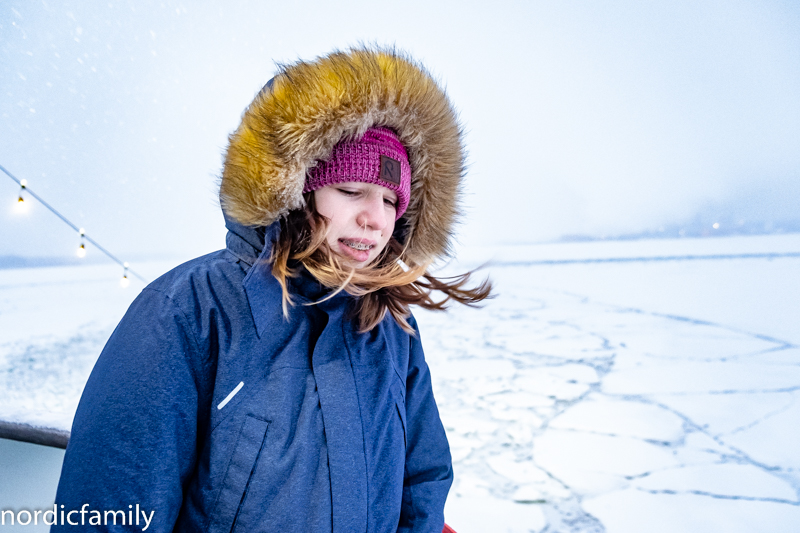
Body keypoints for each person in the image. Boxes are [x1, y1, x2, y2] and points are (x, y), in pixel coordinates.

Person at [52, 47, 491, 533]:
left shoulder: (390, 328)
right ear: (298, 189)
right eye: (351, 191)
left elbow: (422, 478)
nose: (375, 217)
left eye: (391, 200)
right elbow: (112, 509)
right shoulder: (192, 310)